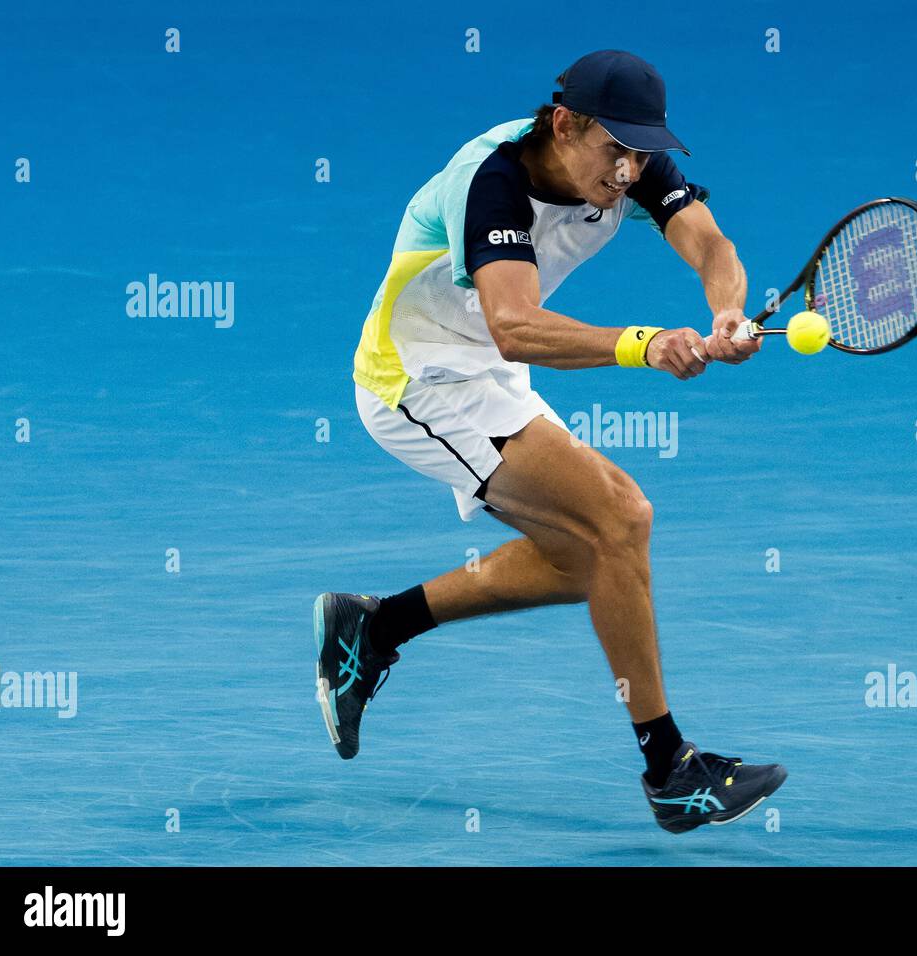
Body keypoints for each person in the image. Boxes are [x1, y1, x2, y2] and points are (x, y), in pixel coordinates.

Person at [314, 50, 786, 833]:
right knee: (622, 518)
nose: (629, 170)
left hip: (488, 373)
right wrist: (644, 343)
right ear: (563, 122)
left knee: (583, 562)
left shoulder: (631, 162)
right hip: (418, 380)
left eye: (642, 151)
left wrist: (727, 312)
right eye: (615, 149)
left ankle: (375, 625)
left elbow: (711, 246)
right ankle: (669, 767)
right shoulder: (492, 182)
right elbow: (516, 325)